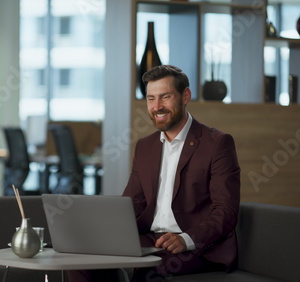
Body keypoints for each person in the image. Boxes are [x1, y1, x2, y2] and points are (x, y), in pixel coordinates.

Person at [67, 65, 240, 281]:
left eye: (165, 97)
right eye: (151, 99)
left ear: (185, 96)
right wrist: (104, 231)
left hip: (196, 247)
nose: (157, 106)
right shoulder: (145, 146)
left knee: (148, 273)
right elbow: (133, 202)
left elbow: (226, 211)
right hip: (150, 239)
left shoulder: (217, 143)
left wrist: (186, 239)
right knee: (80, 262)